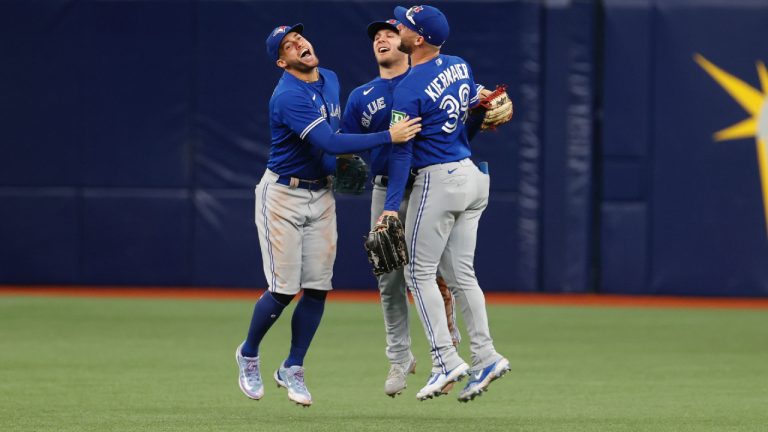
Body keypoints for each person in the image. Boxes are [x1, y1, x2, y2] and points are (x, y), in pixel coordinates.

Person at [235, 23, 421, 407]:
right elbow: (331, 142)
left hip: (321, 193)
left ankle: (293, 366)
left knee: (318, 287)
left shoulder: (331, 79)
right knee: (284, 289)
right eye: (288, 45)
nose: (299, 43)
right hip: (283, 194)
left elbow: (333, 147)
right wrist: (390, 136)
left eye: (299, 37)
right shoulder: (287, 97)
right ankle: (249, 353)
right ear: (282, 61)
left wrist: (340, 167)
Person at [341, 18, 484, 398]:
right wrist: (380, 139)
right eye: (376, 35)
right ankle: (400, 357)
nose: (382, 38)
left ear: (407, 41)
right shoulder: (361, 96)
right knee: (388, 278)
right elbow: (346, 143)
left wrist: (481, 116)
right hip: (386, 187)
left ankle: (447, 352)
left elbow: (458, 133)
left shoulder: (425, 80)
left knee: (436, 274)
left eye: (390, 32)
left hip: (427, 184)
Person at [378, 5, 511, 403]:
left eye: (404, 25)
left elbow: (402, 152)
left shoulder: (408, 87)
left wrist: (388, 206)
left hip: (439, 179)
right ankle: (486, 355)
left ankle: (444, 360)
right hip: (471, 175)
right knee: (461, 274)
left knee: (418, 274)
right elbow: (476, 112)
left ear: (417, 39)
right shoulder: (459, 65)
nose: (397, 26)